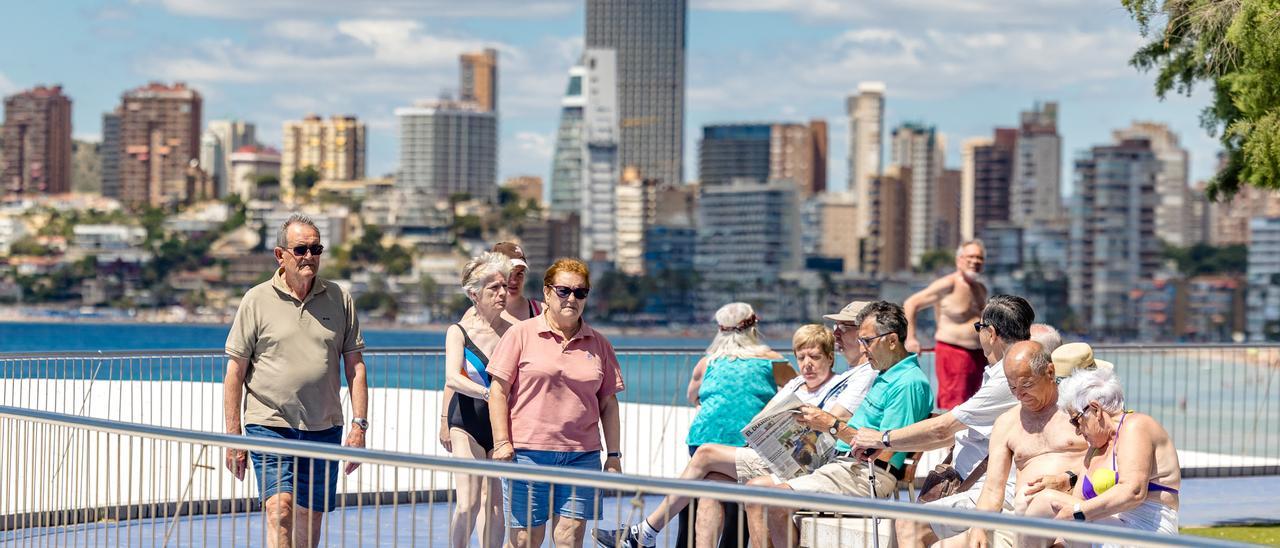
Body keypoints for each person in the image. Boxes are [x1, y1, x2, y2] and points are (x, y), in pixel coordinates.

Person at [595, 322, 859, 548]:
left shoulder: (837, 387)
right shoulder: (795, 384)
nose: (807, 365)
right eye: (801, 358)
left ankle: (645, 532)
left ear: (829, 358)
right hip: (772, 459)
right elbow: (763, 417)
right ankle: (647, 535)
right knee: (707, 483)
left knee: (706, 453)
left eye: (814, 357)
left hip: (803, 467)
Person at [223, 214, 368, 548]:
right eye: (301, 249)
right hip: (269, 424)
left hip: (324, 427)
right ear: (280, 255)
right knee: (280, 509)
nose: (309, 256)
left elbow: (356, 367)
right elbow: (235, 372)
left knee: (309, 516)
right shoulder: (256, 300)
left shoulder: (340, 298)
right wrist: (234, 438)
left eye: (316, 249)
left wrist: (359, 426)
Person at [849, 296, 1037, 548]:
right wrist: (889, 443)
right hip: (971, 484)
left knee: (910, 524)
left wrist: (882, 438)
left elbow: (943, 428)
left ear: (990, 333)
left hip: (988, 491)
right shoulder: (999, 374)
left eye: (978, 328)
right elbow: (950, 432)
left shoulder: (1006, 379)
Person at [744, 301, 934, 548]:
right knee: (754, 491)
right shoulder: (887, 374)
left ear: (891, 340)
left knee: (771, 499)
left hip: (867, 475)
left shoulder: (908, 383)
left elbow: (886, 451)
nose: (863, 348)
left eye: (867, 340)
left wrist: (831, 425)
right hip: (844, 465)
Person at [487, 258, 624, 548]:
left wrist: (613, 456)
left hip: (581, 456)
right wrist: (501, 442)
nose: (571, 298)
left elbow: (609, 404)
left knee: (569, 538)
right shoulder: (520, 334)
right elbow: (498, 392)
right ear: (547, 293)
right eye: (563, 291)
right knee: (525, 540)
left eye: (580, 292)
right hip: (528, 454)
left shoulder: (599, 344)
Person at [947, 341, 1089, 548]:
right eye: (1012, 387)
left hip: (1072, 513)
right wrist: (978, 527)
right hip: (1023, 520)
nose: (1019, 394)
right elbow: (993, 489)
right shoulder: (1006, 423)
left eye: (1027, 384)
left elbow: (1105, 460)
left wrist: (1066, 478)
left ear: (1050, 372)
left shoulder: (1077, 411)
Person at [1022, 368, 1181, 542]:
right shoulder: (1094, 450)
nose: (1076, 431)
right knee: (1038, 504)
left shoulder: (1136, 426)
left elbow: (1133, 491)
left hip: (1147, 535)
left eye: (1076, 420)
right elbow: (1078, 502)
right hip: (1110, 532)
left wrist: (1076, 512)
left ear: (1095, 410)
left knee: (1047, 501)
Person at [443, 252, 516, 548]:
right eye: (493, 288)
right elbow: (452, 378)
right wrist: (489, 393)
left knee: (496, 504)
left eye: (503, 287)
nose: (502, 293)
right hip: (466, 421)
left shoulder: (513, 332)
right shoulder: (459, 331)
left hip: (498, 425)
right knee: (469, 502)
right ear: (474, 294)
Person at [442, 242, 542, 451]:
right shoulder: (472, 317)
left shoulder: (539, 312)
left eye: (520, 273)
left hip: (516, 418)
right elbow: (459, 371)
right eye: (509, 274)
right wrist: (444, 419)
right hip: (472, 415)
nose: (513, 281)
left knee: (505, 483)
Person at [904, 239, 988, 409]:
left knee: (977, 406)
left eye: (979, 258)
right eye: (970, 256)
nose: (975, 261)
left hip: (979, 356)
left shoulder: (980, 288)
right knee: (954, 406)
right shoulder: (948, 284)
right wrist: (911, 338)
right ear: (959, 260)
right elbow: (911, 303)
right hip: (953, 352)